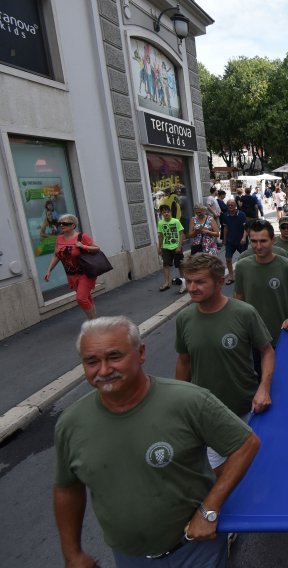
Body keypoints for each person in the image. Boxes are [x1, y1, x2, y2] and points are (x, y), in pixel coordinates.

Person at [54, 316, 260, 566]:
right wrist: (72, 553)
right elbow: (67, 488)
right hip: (128, 557)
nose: (104, 370)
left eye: (115, 357)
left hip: (195, 550)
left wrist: (210, 508)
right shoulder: (71, 424)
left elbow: (246, 444)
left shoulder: (189, 401)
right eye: (92, 361)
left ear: (140, 353)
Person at [175, 253, 274, 471]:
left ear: (220, 282)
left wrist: (264, 388)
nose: (192, 288)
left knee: (254, 471)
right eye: (188, 281)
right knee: (219, 475)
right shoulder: (184, 319)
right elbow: (184, 362)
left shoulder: (244, 313)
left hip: (246, 409)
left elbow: (267, 351)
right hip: (207, 414)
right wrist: (180, 401)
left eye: (200, 281)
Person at [234, 220, 288, 348]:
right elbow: (238, 299)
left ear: (273, 240)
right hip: (253, 335)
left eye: (263, 241)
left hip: (282, 333)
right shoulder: (241, 266)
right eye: (254, 241)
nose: (258, 246)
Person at [44, 214, 102, 320]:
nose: (62, 225)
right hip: (71, 275)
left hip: (85, 273)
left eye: (65, 223)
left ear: (73, 225)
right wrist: (49, 270)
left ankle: (94, 322)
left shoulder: (82, 237)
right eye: (60, 223)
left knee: (81, 298)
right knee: (86, 297)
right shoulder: (59, 239)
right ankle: (94, 320)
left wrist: (82, 246)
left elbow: (97, 248)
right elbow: (56, 255)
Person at [157, 204, 185, 292]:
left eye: (167, 212)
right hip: (166, 247)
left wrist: (179, 246)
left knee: (180, 265)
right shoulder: (160, 223)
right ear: (161, 214)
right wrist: (159, 247)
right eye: (164, 212)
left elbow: (181, 234)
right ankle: (166, 283)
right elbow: (161, 236)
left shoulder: (176, 221)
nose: (166, 214)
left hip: (176, 247)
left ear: (170, 212)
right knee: (165, 265)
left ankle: (184, 282)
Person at [220, 199, 248, 285]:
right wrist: (224, 239)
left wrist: (244, 237)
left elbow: (246, 228)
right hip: (230, 241)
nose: (230, 206)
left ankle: (245, 276)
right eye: (229, 205)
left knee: (245, 259)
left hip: (241, 241)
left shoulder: (242, 214)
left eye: (232, 205)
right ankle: (231, 276)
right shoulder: (225, 215)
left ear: (235, 206)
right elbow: (225, 228)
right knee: (228, 259)